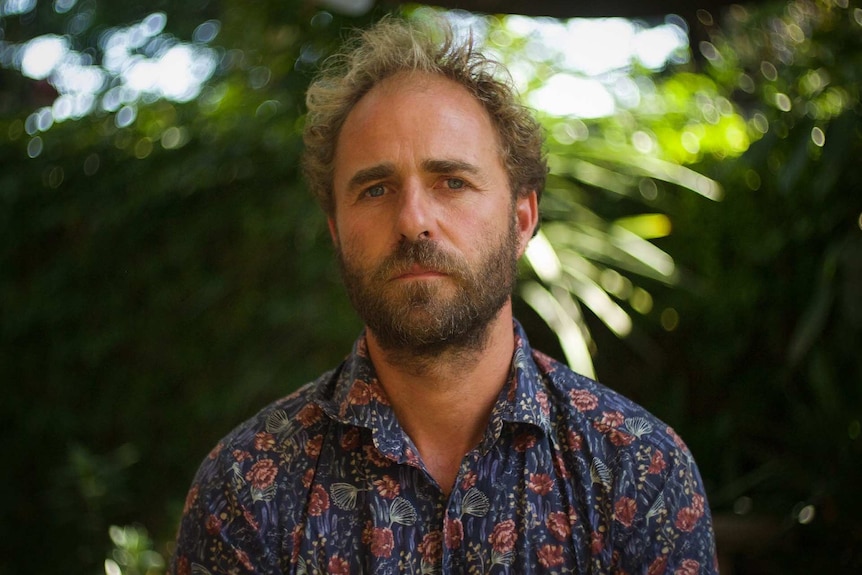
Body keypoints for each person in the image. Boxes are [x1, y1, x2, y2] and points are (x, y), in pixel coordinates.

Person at [171, 15, 718, 574]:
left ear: (522, 218)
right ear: (336, 232)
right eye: (375, 189)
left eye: (452, 182)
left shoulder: (639, 469)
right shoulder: (247, 490)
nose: (413, 221)